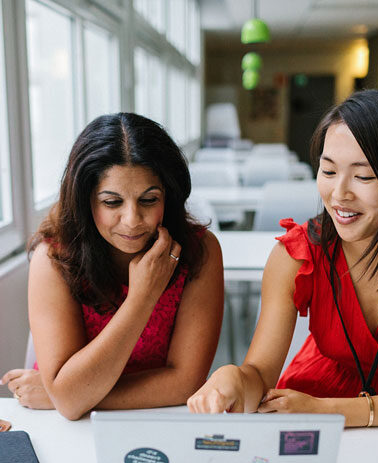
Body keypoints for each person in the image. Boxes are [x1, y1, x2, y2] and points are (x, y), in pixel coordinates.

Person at [187, 88, 378, 427]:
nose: (339, 195)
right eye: (329, 171)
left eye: (363, 176)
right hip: (314, 399)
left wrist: (333, 412)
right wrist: (232, 377)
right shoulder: (296, 255)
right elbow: (259, 374)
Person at [1, 113, 224, 420]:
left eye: (148, 199)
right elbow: (69, 401)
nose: (132, 219)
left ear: (168, 197)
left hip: (159, 422)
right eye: (111, 202)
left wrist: (70, 395)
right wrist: (142, 297)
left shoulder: (200, 251)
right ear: (85, 199)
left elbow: (185, 382)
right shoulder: (53, 257)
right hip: (66, 429)